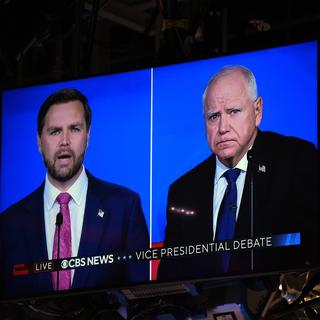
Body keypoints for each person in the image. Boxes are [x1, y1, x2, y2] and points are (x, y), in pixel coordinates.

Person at [157, 65, 318, 281]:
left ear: (257, 111)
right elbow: (171, 279)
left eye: (233, 111)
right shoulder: (183, 190)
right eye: (213, 116)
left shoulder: (295, 160)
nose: (223, 127)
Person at [0, 88, 149, 299]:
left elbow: (140, 298)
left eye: (75, 129)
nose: (64, 141)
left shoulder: (124, 207)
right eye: (54, 131)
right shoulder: (9, 224)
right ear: (39, 141)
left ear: (87, 136)